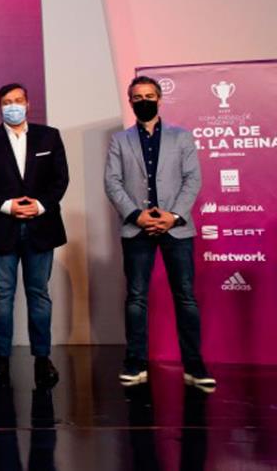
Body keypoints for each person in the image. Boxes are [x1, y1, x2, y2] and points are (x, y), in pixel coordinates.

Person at [105, 75, 214, 391]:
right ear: (130, 101)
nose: (143, 101)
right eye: (137, 97)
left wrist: (173, 215)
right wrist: (138, 216)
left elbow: (192, 179)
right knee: (136, 298)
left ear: (159, 98)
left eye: (149, 95)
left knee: (185, 297)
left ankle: (194, 366)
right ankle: (135, 363)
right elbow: (112, 182)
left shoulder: (182, 137)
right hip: (136, 228)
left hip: (176, 228)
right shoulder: (120, 141)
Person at [0, 83, 69, 387]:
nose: (13, 105)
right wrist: (8, 206)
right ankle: (1, 356)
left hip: (42, 226)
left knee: (39, 294)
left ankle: (42, 357)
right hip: (0, 227)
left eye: (18, 100)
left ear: (28, 104)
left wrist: (38, 206)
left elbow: (60, 179)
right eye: (7, 102)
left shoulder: (49, 136)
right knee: (2, 294)